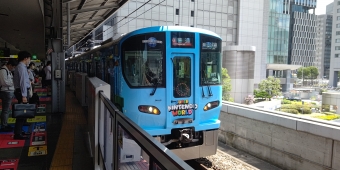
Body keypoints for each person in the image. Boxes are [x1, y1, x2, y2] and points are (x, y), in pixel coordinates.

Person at [13, 51, 31, 139]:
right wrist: (24, 95)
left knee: (23, 113)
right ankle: (18, 134)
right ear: (25, 58)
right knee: (21, 113)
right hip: (22, 92)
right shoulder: (21, 67)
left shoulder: (21, 67)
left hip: (21, 91)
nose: (29, 61)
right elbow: (23, 82)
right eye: (29, 59)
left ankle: (20, 131)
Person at [0, 59, 18, 132]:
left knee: (7, 110)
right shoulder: (3, 71)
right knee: (5, 110)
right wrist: (13, 83)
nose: (13, 68)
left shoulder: (8, 71)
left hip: (8, 91)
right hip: (6, 92)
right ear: (10, 65)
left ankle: (5, 124)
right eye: (13, 67)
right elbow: (4, 82)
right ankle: (4, 125)